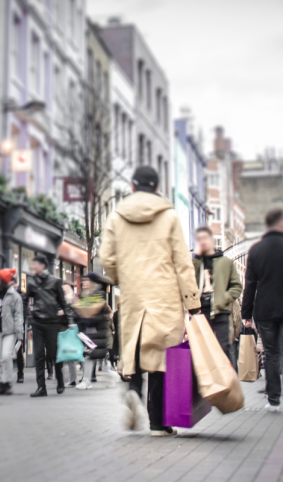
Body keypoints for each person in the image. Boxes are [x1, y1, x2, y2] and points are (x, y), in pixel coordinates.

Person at [100, 166, 203, 437]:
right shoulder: (168, 215)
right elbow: (182, 262)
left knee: (133, 349)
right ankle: (158, 424)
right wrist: (193, 302)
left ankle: (133, 390)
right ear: (157, 187)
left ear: (133, 186)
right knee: (160, 358)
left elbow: (107, 258)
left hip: (134, 295)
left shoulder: (117, 215)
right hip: (165, 294)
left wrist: (123, 278)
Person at [241, 208, 283, 415]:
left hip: (265, 308)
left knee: (271, 354)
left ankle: (274, 400)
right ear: (281, 224)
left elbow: (249, 283)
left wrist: (246, 313)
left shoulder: (256, 250)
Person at [22, 255, 75, 397]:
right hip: (38, 323)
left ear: (42, 266)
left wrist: (69, 320)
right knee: (39, 355)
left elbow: (63, 302)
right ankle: (41, 387)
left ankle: (60, 381)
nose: (33, 267)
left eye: (35, 264)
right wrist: (29, 317)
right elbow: (25, 300)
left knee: (53, 354)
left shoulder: (55, 281)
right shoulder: (32, 283)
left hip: (52, 323)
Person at [192, 226, 243, 362]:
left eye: (205, 238)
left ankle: (224, 382)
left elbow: (237, 286)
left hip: (221, 313)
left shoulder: (225, 262)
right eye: (199, 239)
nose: (202, 242)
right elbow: (189, 282)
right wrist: (197, 258)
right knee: (202, 353)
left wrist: (224, 298)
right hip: (200, 313)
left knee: (222, 351)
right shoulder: (195, 262)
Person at [0, 268, 23, 396]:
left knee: (6, 356)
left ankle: (7, 382)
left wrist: (19, 333)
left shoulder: (15, 296)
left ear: (2, 280)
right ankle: (2, 383)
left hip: (9, 330)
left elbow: (18, 315)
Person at [74, 272, 113, 390]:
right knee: (90, 356)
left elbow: (104, 315)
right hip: (87, 331)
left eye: (87, 281)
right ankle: (91, 379)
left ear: (92, 283)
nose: (84, 283)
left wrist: (90, 317)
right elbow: (77, 314)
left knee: (91, 356)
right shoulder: (83, 296)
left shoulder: (98, 295)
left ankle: (88, 380)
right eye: (83, 280)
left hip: (97, 332)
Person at [61, 283, 80, 387]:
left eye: (64, 291)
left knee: (71, 356)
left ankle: (73, 379)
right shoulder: (64, 301)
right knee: (68, 355)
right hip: (65, 330)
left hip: (71, 330)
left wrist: (64, 313)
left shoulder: (72, 301)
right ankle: (71, 378)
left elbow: (76, 315)